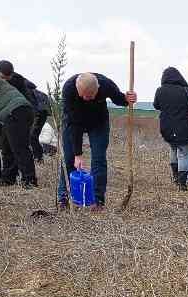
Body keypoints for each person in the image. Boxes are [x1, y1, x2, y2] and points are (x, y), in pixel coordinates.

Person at [57, 71, 137, 210]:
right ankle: (64, 197)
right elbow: (74, 124)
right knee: (69, 158)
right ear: (78, 90)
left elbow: (119, 99)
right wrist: (78, 154)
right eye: (83, 96)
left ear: (98, 89)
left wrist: (128, 98)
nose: (86, 99)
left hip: (98, 123)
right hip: (73, 122)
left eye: (90, 96)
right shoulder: (69, 89)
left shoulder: (106, 84)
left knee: (99, 158)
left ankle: (97, 199)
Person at [153, 66, 188, 190]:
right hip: (184, 126)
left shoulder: (160, 90)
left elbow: (156, 105)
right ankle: (182, 184)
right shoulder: (186, 91)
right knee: (183, 154)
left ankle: (175, 178)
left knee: (173, 149)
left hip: (166, 127)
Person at [0, 60, 39, 165]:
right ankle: (9, 174)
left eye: (7, 78)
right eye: (2, 77)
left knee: (20, 148)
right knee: (6, 148)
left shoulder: (17, 81)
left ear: (11, 75)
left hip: (20, 115)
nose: (4, 81)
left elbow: (28, 102)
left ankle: (28, 175)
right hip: (8, 116)